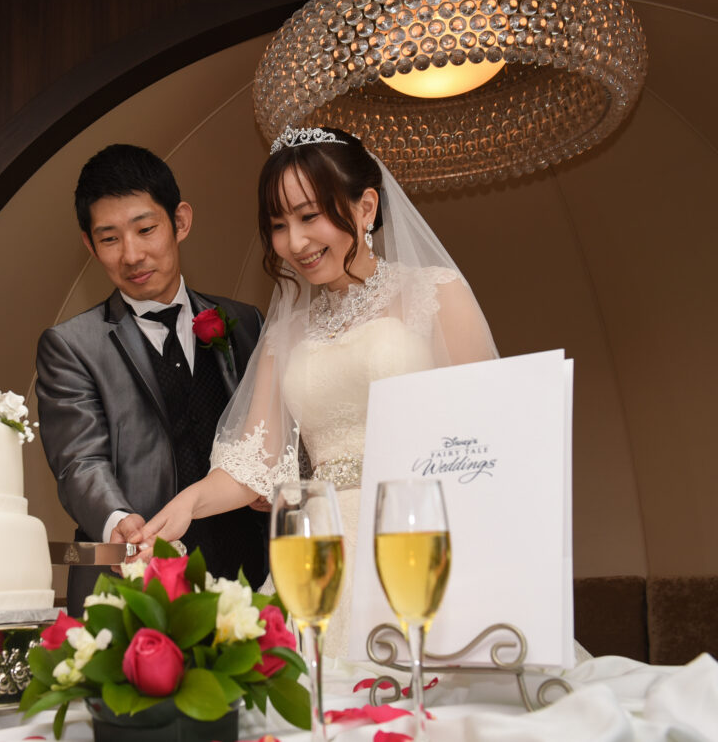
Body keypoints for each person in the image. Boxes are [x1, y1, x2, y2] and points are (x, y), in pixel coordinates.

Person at [134, 126, 498, 657]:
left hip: (416, 541)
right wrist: (188, 503)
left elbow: (485, 441)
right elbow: (253, 463)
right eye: (279, 225)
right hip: (319, 555)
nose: (295, 242)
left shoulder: (436, 293)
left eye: (309, 216)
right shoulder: (285, 334)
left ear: (366, 206)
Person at [35, 143, 270, 615]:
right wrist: (118, 521)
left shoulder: (246, 323)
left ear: (180, 221)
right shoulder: (71, 345)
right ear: (90, 245)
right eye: (109, 239)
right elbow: (79, 462)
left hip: (251, 578)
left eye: (146, 229)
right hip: (133, 588)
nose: (132, 254)